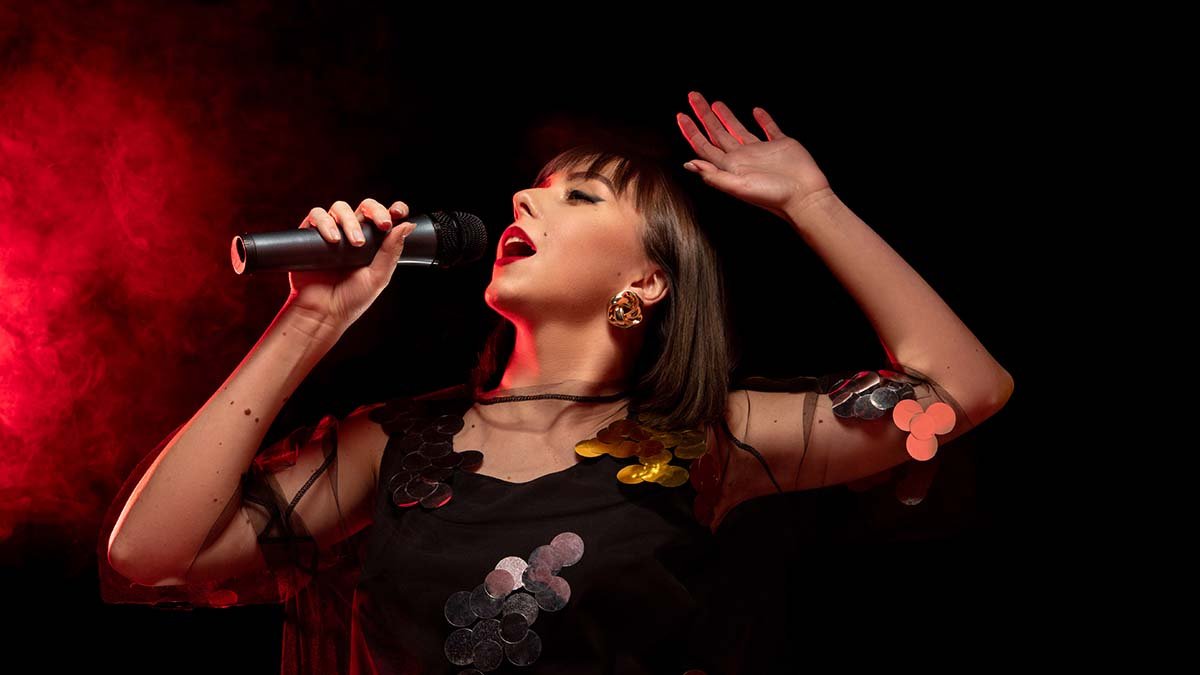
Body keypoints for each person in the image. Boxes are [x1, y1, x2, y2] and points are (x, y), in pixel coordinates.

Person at [97, 91, 1014, 674]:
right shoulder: (395, 445)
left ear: (645, 283)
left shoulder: (706, 436)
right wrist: (310, 321)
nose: (526, 199)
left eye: (579, 196)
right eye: (534, 188)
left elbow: (964, 388)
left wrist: (811, 203)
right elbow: (149, 554)